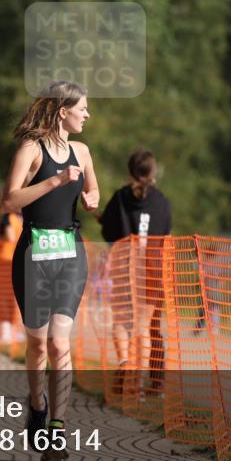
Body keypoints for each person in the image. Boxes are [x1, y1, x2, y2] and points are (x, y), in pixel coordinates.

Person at [2, 80, 99, 461]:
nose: (88, 114)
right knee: (38, 344)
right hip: (33, 256)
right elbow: (9, 200)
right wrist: (55, 180)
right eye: (83, 108)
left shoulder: (83, 151)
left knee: (60, 343)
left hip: (70, 252)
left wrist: (91, 199)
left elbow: (93, 194)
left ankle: (57, 428)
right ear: (63, 111)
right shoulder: (31, 149)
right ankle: (38, 405)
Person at [99, 148, 173, 395]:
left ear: (130, 171)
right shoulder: (162, 202)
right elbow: (164, 236)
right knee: (149, 327)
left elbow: (109, 232)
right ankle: (151, 383)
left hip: (123, 267)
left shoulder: (120, 198)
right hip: (152, 271)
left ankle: (126, 366)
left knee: (121, 321)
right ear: (154, 172)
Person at [0, 186, 23, 347]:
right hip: (19, 259)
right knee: (14, 297)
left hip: (6, 259)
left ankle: (6, 332)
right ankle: (14, 332)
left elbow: (10, 236)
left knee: (3, 296)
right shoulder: (21, 217)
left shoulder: (7, 217)